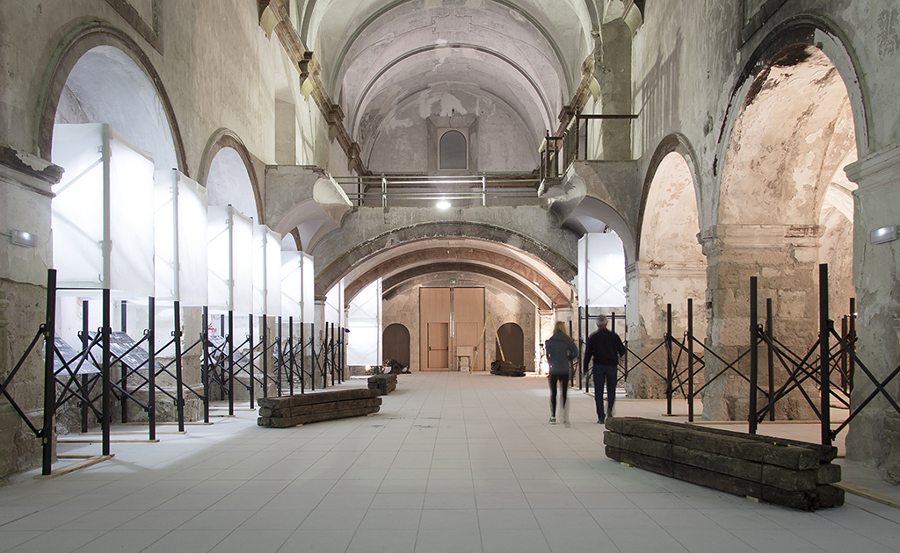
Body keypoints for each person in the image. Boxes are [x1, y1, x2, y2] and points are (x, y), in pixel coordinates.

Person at [583, 314, 626, 424]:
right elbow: (622, 351)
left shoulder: (593, 337)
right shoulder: (614, 336)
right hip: (611, 365)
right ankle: (610, 410)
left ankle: (601, 416)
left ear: (597, 324)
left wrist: (585, 368)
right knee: (611, 390)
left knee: (598, 392)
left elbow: (587, 354)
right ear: (606, 323)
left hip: (598, 366)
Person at [545, 321, 578, 425]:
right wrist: (568, 358)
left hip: (554, 369)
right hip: (564, 368)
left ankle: (553, 416)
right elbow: (575, 352)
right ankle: (564, 415)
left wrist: (551, 361)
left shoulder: (551, 340)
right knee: (564, 393)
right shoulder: (568, 340)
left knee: (553, 393)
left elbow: (548, 354)